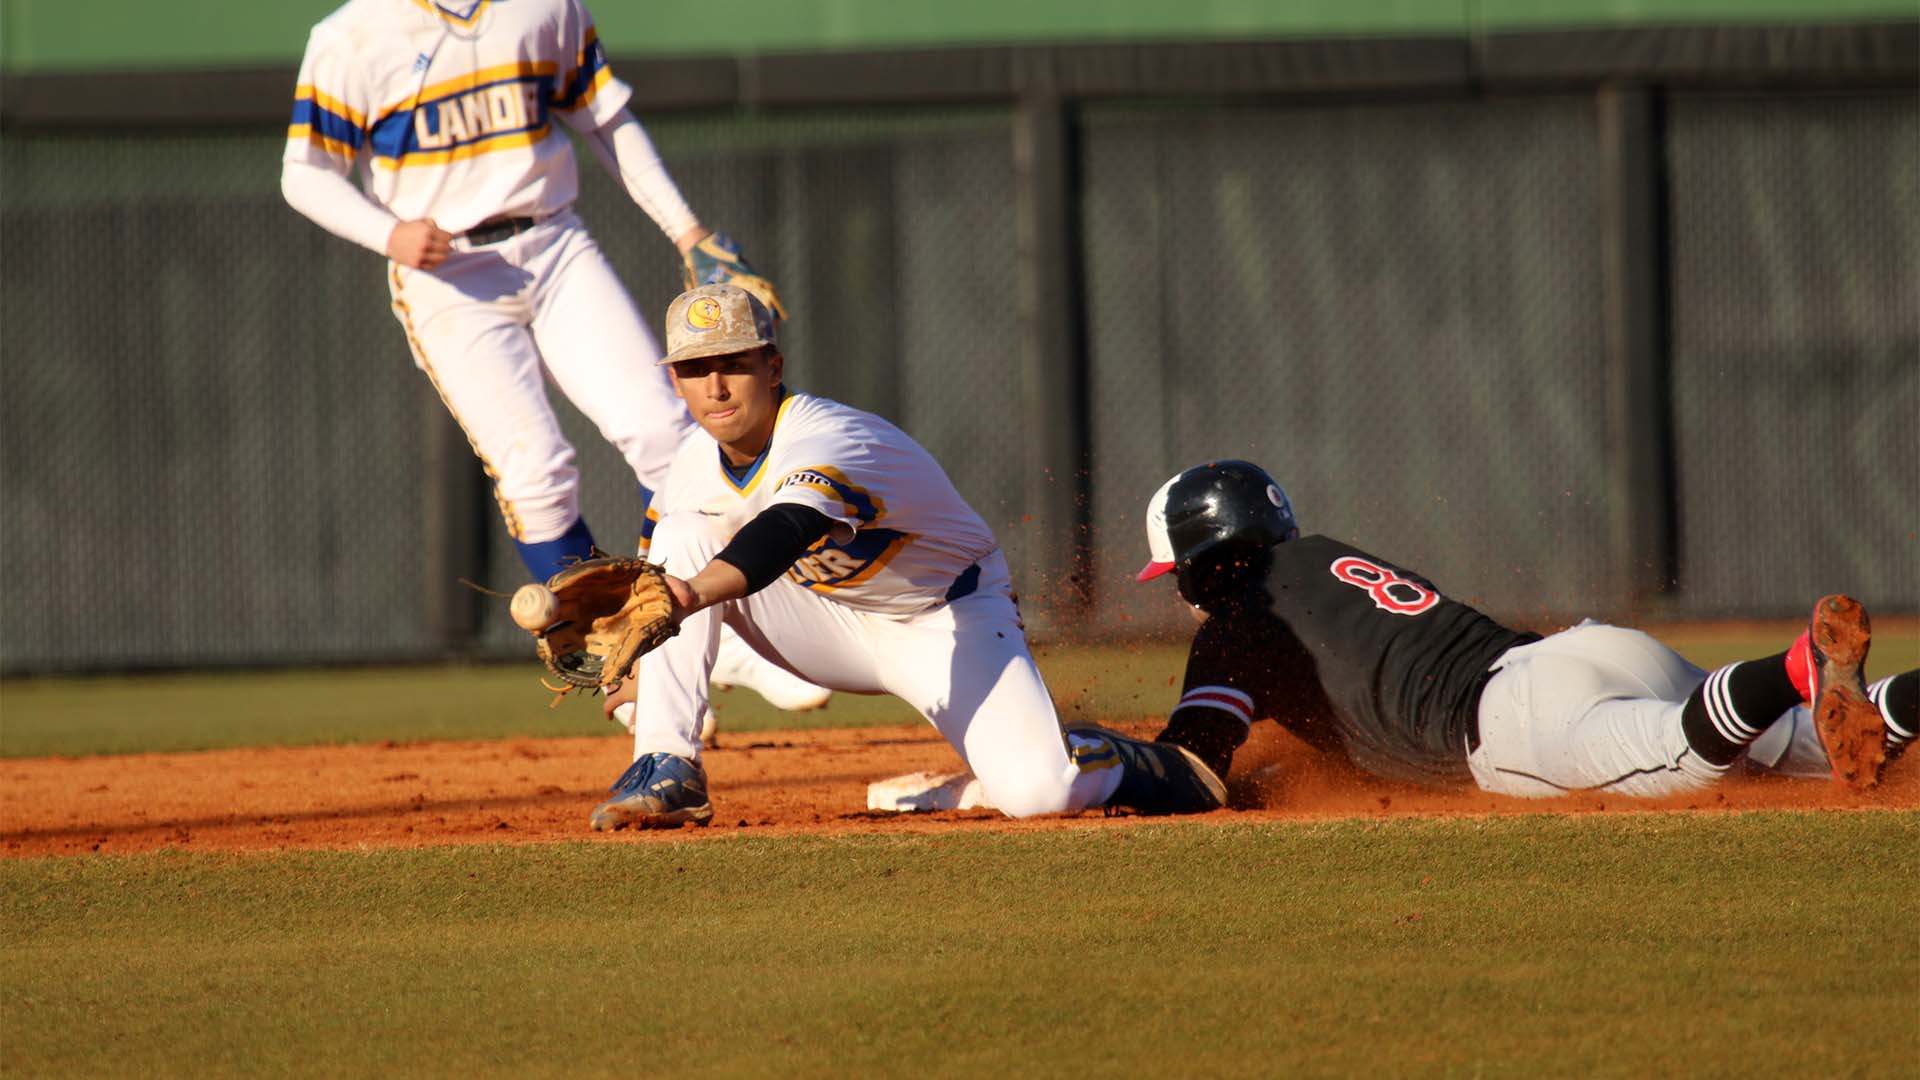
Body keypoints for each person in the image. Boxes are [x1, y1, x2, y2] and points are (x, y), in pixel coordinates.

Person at [280, 0, 826, 711]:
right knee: (537, 473)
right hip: (447, 274)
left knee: (664, 431)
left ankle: (724, 634)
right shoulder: (352, 35)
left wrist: (686, 230)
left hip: (554, 242)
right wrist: (387, 233)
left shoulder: (541, 5)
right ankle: (620, 669)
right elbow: (305, 173)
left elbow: (606, 118)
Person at [589, 284, 1227, 829]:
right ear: (675, 381)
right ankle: (669, 766)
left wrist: (691, 595)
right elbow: (656, 592)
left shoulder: (827, 434)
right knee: (679, 536)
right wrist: (625, 683)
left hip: (947, 618)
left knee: (1039, 793)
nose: (717, 385)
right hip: (830, 618)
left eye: (735, 362)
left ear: (773, 366)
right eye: (697, 369)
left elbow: (787, 527)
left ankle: (1099, 755)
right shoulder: (688, 468)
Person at [1132, 459, 1914, 800]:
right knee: (1820, 746)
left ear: (1202, 563)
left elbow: (1192, 769)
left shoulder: (1236, 626)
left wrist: (1110, 769)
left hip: (1514, 723)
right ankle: (1874, 696)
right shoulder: (1332, 562)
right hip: (1584, 651)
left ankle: (1798, 670)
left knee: (1684, 753)